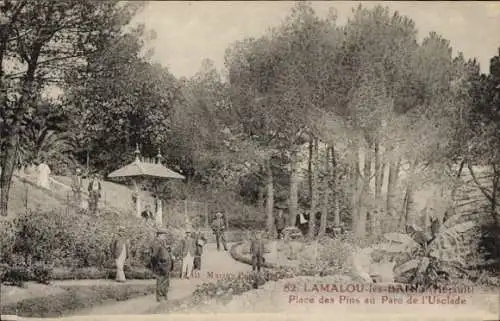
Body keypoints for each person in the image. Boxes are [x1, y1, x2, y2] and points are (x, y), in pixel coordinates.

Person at [150, 228, 175, 302]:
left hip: (166, 265)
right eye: (163, 235)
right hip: (160, 265)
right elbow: (154, 256)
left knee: (166, 281)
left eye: (165, 235)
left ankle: (164, 295)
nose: (165, 236)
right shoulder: (156, 243)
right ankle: (160, 297)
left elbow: (164, 252)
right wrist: (157, 265)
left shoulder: (162, 242)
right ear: (159, 235)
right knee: (160, 281)